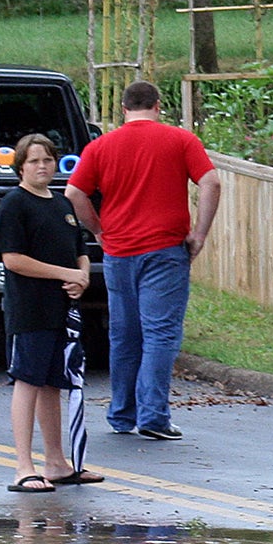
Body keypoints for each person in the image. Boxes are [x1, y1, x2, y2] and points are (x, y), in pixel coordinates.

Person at [65, 81, 221, 441]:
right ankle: (153, 415)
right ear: (157, 105)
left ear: (123, 109)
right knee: (160, 332)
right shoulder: (180, 140)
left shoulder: (100, 146)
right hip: (164, 250)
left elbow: (74, 192)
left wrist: (99, 231)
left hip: (119, 251)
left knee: (124, 334)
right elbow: (211, 182)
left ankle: (122, 413)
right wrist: (199, 233)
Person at [0, 134, 100, 492]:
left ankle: (56, 462)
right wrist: (64, 274)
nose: (42, 166)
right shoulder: (14, 204)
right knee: (27, 381)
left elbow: (80, 250)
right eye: (34, 160)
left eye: (48, 159)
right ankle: (24, 466)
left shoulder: (61, 204)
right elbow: (13, 260)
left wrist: (81, 276)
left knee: (53, 384)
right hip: (30, 309)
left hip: (63, 309)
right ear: (20, 166)